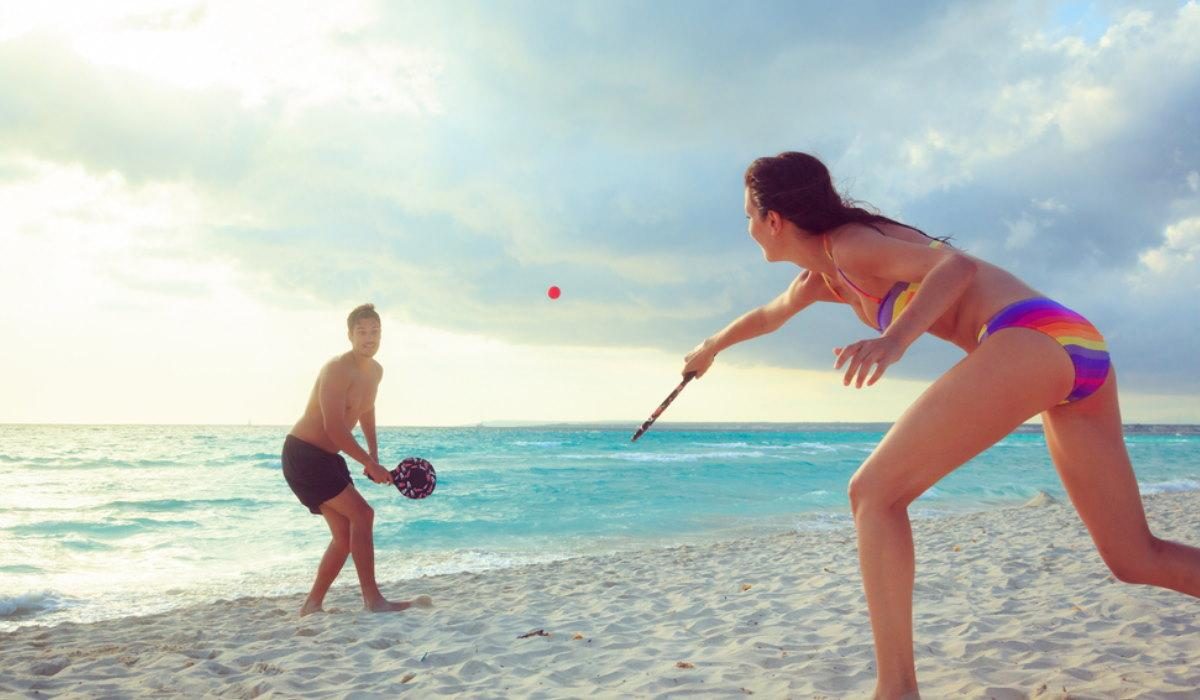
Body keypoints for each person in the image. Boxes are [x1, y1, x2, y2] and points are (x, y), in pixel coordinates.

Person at [681, 152, 1200, 699]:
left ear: (774, 220)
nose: (746, 229)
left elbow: (957, 268)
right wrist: (708, 349)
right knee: (1134, 557)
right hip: (1073, 345)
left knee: (873, 493)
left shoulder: (851, 244)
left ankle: (896, 690)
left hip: (1029, 336)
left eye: (747, 216)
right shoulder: (825, 278)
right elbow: (768, 315)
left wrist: (894, 340)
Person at [282, 303, 428, 616]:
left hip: (328, 457)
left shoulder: (375, 371)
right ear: (350, 335)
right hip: (305, 454)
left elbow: (367, 409)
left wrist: (374, 454)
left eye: (374, 331)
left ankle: (311, 605)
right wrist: (368, 464)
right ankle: (373, 600)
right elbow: (333, 427)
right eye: (362, 332)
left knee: (346, 535)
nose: (369, 337)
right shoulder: (336, 368)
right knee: (363, 515)